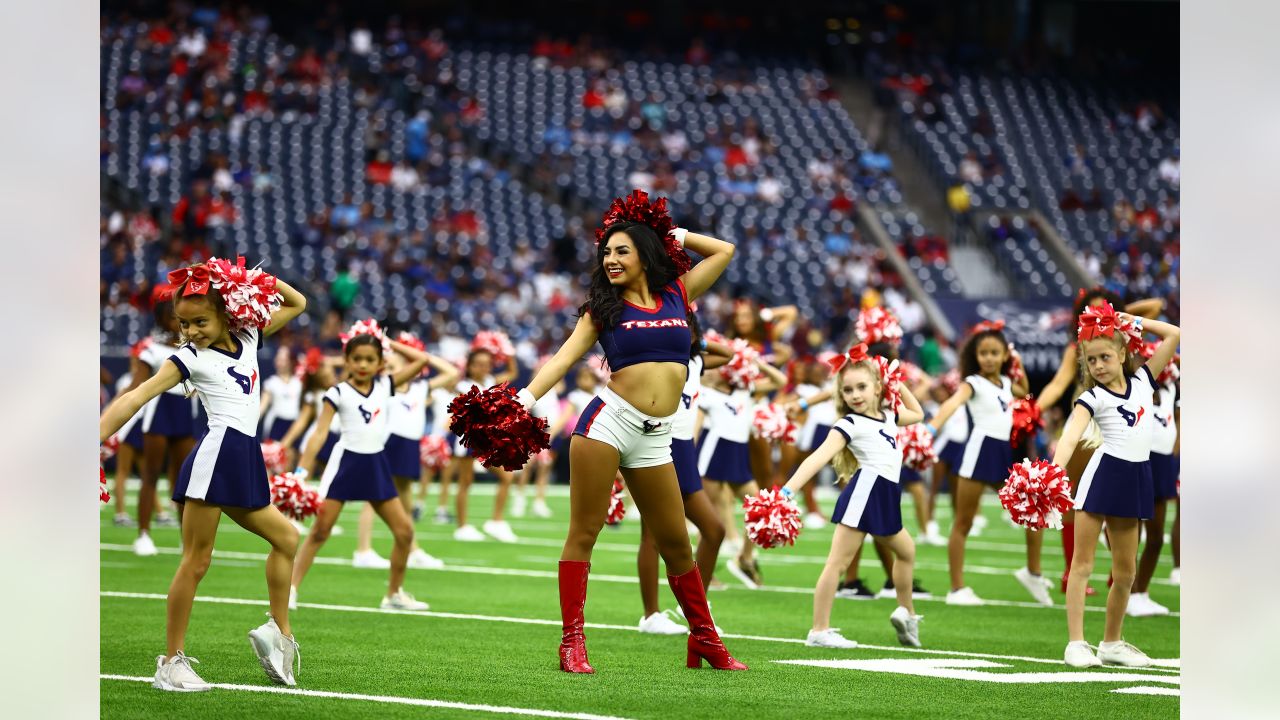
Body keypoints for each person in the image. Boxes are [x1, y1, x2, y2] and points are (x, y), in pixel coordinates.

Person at [515, 208, 743, 673]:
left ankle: (704, 639)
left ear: (647, 254)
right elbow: (562, 359)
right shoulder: (604, 309)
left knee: (677, 543)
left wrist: (678, 234)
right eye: (606, 252)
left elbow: (724, 251)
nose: (611, 259)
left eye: (622, 250)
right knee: (585, 533)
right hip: (608, 425)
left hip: (658, 436)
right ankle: (572, 643)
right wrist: (523, 399)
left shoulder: (679, 291)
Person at [98, 262, 307, 690]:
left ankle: (278, 634)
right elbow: (136, 396)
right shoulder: (188, 358)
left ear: (226, 313)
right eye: (184, 322)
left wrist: (247, 280)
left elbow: (298, 302)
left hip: (242, 455)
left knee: (287, 539)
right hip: (216, 457)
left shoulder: (249, 336)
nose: (190, 330)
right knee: (196, 561)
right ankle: (171, 663)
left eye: (200, 321)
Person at [1053, 303, 1179, 667]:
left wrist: (1132, 321)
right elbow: (1070, 436)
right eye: (1091, 361)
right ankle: (1076, 642)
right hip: (1103, 477)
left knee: (1126, 571)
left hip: (1136, 478)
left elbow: (1174, 335)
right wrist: (1054, 472)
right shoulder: (1092, 397)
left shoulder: (1142, 380)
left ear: (1123, 353)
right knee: (1082, 564)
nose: (1099, 366)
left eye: (1106, 356)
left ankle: (1111, 643)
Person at [780, 344, 925, 649]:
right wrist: (788, 490)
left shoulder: (888, 415)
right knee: (837, 564)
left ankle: (906, 614)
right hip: (865, 492)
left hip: (886, 494)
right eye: (848, 390)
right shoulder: (849, 423)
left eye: (862, 387)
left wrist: (897, 383)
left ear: (877, 388)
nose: (855, 395)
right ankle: (819, 630)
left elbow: (919, 414)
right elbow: (817, 457)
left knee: (907, 551)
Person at [290, 332, 432, 611]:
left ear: (381, 361)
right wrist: (300, 473)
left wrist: (389, 343)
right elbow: (319, 434)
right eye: (357, 359)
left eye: (370, 359)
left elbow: (421, 360)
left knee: (404, 533)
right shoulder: (337, 392)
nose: (363, 365)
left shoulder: (385, 385)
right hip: (346, 463)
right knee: (320, 531)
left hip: (376, 463)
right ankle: (291, 589)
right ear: (347, 360)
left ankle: (393, 594)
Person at [1037, 290, 1166, 593]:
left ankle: (1117, 573)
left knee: (1119, 504)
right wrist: (1033, 409)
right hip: (1085, 422)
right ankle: (1072, 572)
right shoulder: (1076, 346)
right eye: (1088, 311)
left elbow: (1156, 306)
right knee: (1075, 498)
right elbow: (1057, 384)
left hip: (1122, 423)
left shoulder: (1124, 341)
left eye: (1101, 310)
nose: (1094, 314)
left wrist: (1116, 316)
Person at [925, 321, 1030, 605]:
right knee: (964, 523)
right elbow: (952, 403)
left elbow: (1025, 389)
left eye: (995, 352)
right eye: (983, 353)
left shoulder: (1007, 383)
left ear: (1004, 355)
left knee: (1029, 509)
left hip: (1002, 453)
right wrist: (931, 428)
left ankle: (1033, 571)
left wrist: (1016, 360)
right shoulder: (973, 382)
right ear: (976, 356)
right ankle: (957, 589)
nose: (989, 358)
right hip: (978, 450)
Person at [636, 328, 734, 634]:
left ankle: (693, 607)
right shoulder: (662, 359)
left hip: (684, 449)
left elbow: (728, 354)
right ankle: (651, 616)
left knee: (714, 530)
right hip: (659, 443)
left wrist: (698, 341)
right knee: (652, 536)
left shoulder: (696, 362)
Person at [354, 336, 459, 570]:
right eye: (386, 365)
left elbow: (451, 373)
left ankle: (413, 549)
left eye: (395, 365)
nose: (388, 369)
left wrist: (403, 348)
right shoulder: (383, 388)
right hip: (388, 444)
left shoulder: (421, 388)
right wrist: (390, 354)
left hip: (409, 446)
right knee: (374, 498)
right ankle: (362, 550)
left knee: (406, 500)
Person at [133, 298, 197, 555]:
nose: (178, 322)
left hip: (182, 409)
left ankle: (187, 540)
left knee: (184, 480)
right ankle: (143, 535)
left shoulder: (193, 347)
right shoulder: (151, 348)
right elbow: (135, 388)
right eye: (173, 317)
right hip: (158, 410)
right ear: (161, 319)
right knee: (151, 474)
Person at [449, 347, 520, 542]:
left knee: (506, 477)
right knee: (465, 482)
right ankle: (462, 527)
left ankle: (496, 522)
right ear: (470, 367)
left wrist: (507, 350)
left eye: (487, 364)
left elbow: (513, 373)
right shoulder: (463, 386)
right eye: (478, 364)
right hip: (469, 438)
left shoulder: (489, 382)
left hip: (487, 440)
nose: (483, 368)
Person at [1127, 350, 1179, 617]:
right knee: (1132, 535)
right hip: (1140, 459)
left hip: (1164, 464)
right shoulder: (1136, 388)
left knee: (1156, 537)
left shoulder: (1172, 388)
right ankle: (1128, 591)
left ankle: (1141, 592)